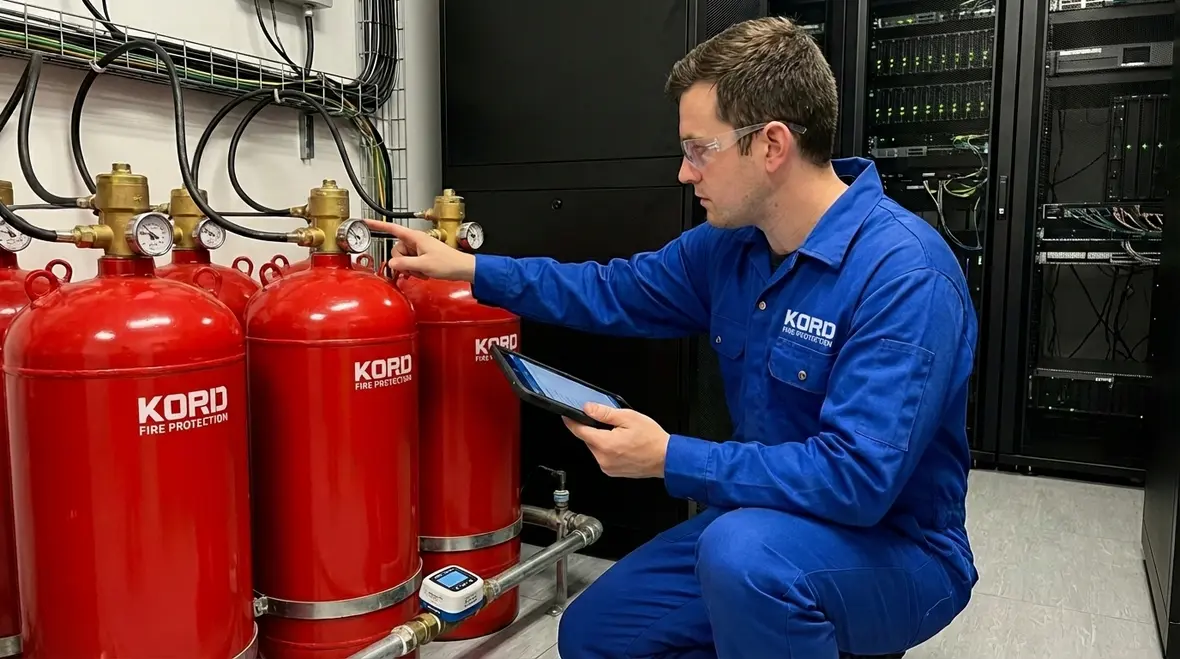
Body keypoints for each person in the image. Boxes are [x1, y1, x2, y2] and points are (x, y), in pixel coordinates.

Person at [367, 15, 978, 659]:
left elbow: (856, 479)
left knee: (745, 562)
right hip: (760, 518)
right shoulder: (732, 249)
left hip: (894, 546)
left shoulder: (904, 274)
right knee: (595, 635)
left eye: (698, 149)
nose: (685, 173)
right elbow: (609, 290)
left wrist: (670, 457)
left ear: (771, 146)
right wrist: (469, 268)